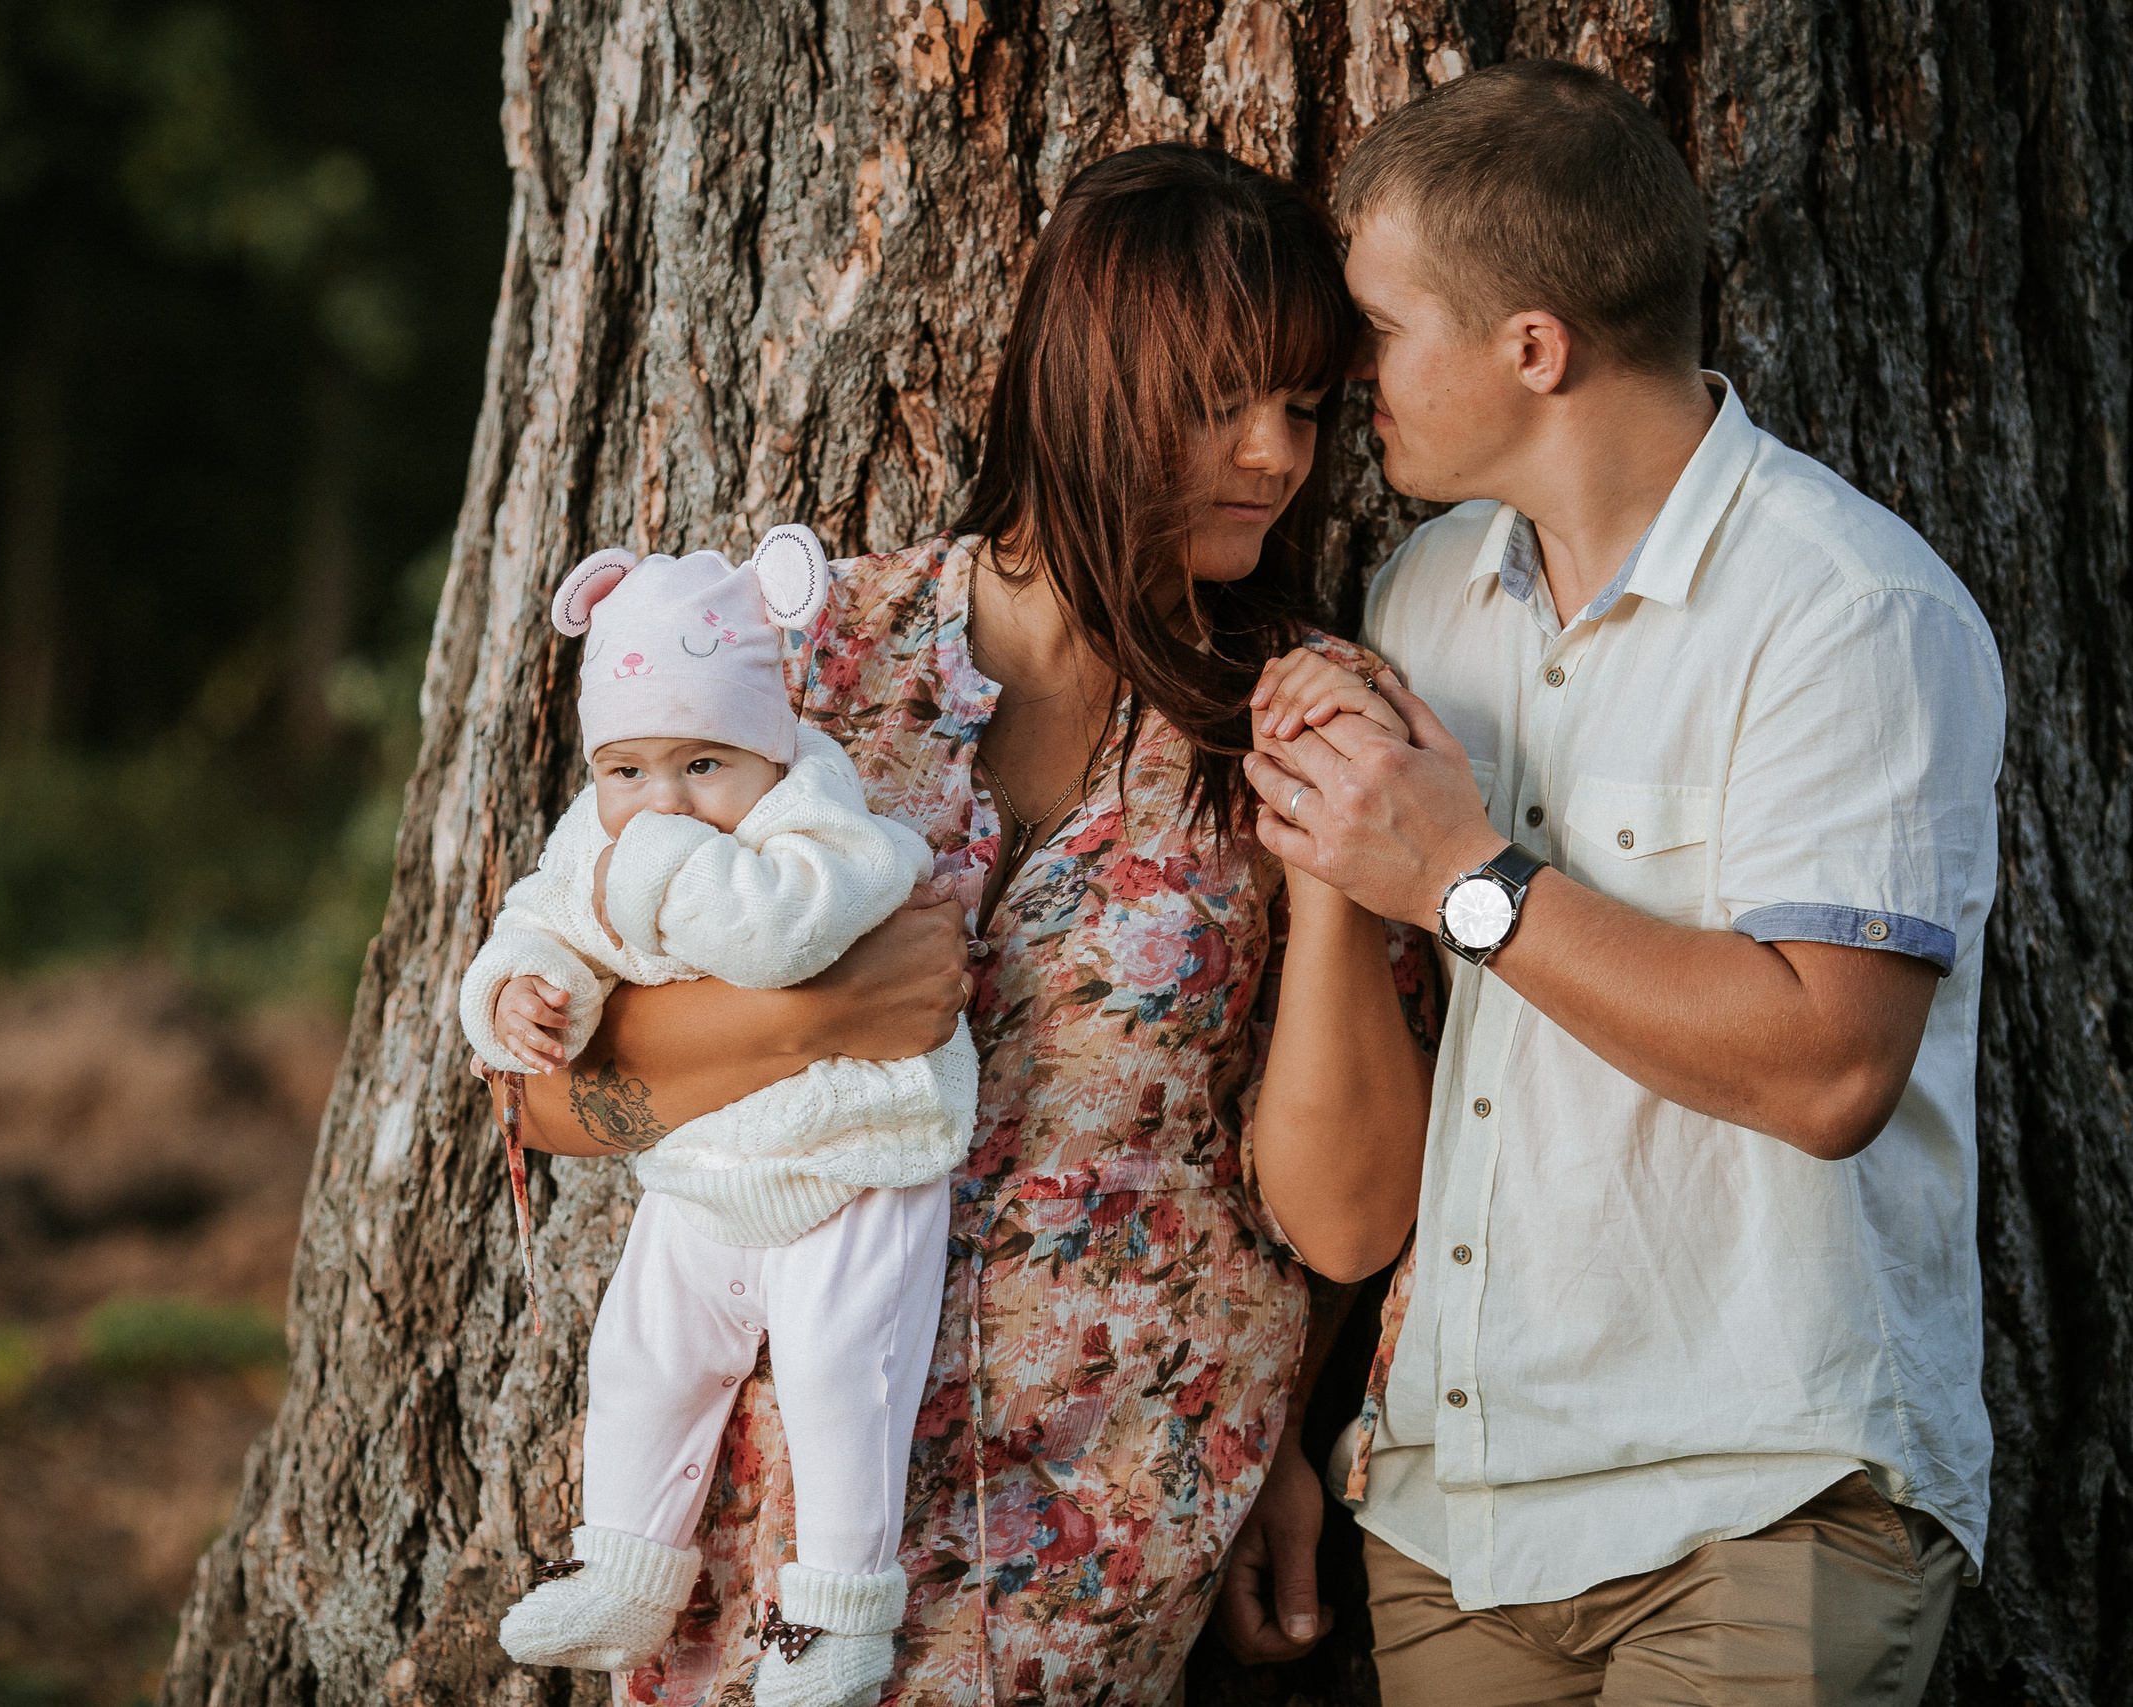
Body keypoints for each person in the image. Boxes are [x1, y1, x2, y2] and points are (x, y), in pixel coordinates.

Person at [508, 144, 1439, 1703]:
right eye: (1220, 398)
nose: (1275, 454)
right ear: (1086, 381)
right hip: (766, 1522)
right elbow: (553, 1092)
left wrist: (1331, 878)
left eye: (1306, 404)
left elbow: (1342, 1227)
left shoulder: (1306, 716)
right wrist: (816, 1016)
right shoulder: (802, 663)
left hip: (1101, 1527)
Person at [1248, 60, 2003, 1706]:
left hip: (1762, 1502)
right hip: (1455, 1516)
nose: (1337, 370)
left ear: (1532, 347)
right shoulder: (1418, 599)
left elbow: (1828, 1068)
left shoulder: (1847, 613)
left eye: (1376, 328)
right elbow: (1377, 1115)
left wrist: (1464, 872)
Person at [466, 524, 977, 1707]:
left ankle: (842, 1616)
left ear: (766, 745)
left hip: (854, 1165)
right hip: (704, 1171)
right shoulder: (602, 831)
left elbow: (774, 938)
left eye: (704, 765)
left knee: (841, 1376)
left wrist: (643, 869)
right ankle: (626, 1571)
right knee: (642, 1356)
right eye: (629, 770)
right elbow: (547, 920)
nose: (664, 801)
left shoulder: (824, 823)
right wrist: (523, 993)